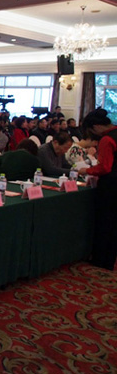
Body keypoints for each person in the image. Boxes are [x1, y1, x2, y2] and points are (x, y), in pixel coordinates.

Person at [79, 108, 117, 270]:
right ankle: (109, 259)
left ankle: (99, 259)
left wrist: (86, 170)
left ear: (95, 127)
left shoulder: (107, 139)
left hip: (110, 186)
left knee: (104, 222)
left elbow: (105, 167)